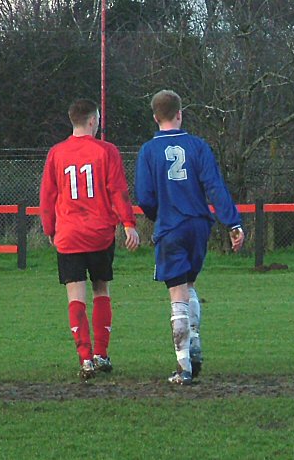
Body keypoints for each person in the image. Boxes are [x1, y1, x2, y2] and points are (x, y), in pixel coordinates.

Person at [135, 89, 245, 386]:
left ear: (155, 117)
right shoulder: (197, 146)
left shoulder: (148, 151)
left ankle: (183, 367)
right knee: (189, 285)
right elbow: (214, 186)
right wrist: (233, 222)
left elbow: (145, 197)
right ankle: (193, 344)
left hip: (171, 227)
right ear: (180, 114)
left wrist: (159, 214)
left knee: (176, 295)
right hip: (199, 225)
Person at [40, 98, 140, 380]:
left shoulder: (57, 153)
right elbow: (117, 190)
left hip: (69, 235)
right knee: (101, 290)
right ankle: (102, 353)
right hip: (99, 234)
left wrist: (50, 228)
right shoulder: (107, 151)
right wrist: (128, 224)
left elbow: (48, 196)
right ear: (93, 121)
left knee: (75, 296)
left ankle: (85, 358)